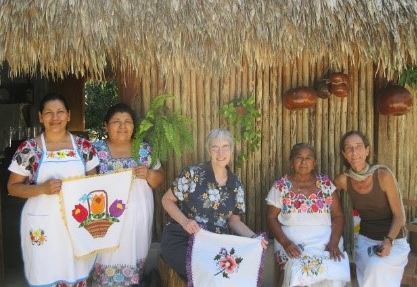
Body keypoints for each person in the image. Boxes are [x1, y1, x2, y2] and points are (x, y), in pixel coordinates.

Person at [7, 93, 100, 287]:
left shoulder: (83, 147)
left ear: (68, 115)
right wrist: (41, 189)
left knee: (75, 270)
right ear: (40, 117)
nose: (54, 118)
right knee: (44, 272)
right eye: (48, 113)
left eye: (60, 112)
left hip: (76, 223)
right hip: (43, 225)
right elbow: (12, 187)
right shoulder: (29, 149)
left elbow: (94, 185)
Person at [160, 128, 267, 281]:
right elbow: (166, 200)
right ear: (209, 151)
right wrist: (185, 221)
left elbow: (234, 221)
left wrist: (254, 237)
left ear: (231, 150)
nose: (220, 153)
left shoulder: (236, 185)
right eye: (215, 148)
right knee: (209, 274)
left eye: (225, 148)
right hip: (183, 239)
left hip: (214, 246)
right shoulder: (193, 173)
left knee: (235, 278)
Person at [91, 102, 165, 286]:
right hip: (106, 220)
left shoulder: (144, 150)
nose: (122, 126)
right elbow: (86, 183)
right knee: (106, 257)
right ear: (106, 126)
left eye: (127, 122)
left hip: (137, 218)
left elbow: (159, 179)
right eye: (116, 121)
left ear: (134, 126)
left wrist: (148, 173)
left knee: (135, 257)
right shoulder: (94, 151)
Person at [266, 143, 350, 287]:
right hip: (292, 243)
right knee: (299, 272)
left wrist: (334, 242)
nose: (303, 162)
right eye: (299, 157)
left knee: (331, 277)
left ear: (314, 162)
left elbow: (338, 216)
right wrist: (286, 243)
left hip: (325, 242)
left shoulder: (326, 184)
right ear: (291, 161)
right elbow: (271, 218)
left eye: (308, 158)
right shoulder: (280, 186)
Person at [334, 131, 410, 286]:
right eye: (349, 148)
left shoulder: (382, 175)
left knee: (377, 267)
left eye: (359, 147)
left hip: (394, 241)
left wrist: (388, 241)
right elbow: (327, 198)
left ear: (367, 151)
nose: (354, 153)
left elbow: (399, 216)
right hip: (365, 240)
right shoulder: (343, 180)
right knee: (371, 268)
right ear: (344, 154)